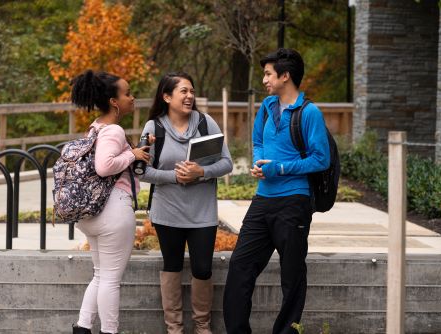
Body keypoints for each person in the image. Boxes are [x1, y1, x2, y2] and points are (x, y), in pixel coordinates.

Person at [222, 48, 331, 334]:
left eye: (269, 74)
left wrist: (278, 168)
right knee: (240, 267)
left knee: (291, 276)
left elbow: (321, 159)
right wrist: (260, 162)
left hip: (294, 202)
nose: (264, 79)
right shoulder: (268, 106)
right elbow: (258, 140)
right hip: (262, 200)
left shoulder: (310, 113)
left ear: (285, 76)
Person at [140, 72, 233, 334]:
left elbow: (227, 163)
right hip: (167, 210)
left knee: (203, 268)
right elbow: (141, 171)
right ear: (167, 96)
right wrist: (176, 176)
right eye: (183, 91)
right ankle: (175, 328)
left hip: (202, 212)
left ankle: (202, 326)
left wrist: (200, 172)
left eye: (191, 91)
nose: (189, 96)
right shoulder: (153, 128)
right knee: (172, 265)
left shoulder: (206, 123)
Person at [70, 70, 150, 334]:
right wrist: (133, 154)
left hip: (92, 214)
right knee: (111, 280)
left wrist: (132, 152)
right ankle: (110, 331)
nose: (132, 98)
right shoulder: (113, 129)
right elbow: (104, 167)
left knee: (100, 275)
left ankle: (82, 327)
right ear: (114, 102)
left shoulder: (95, 127)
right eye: (127, 94)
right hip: (113, 210)